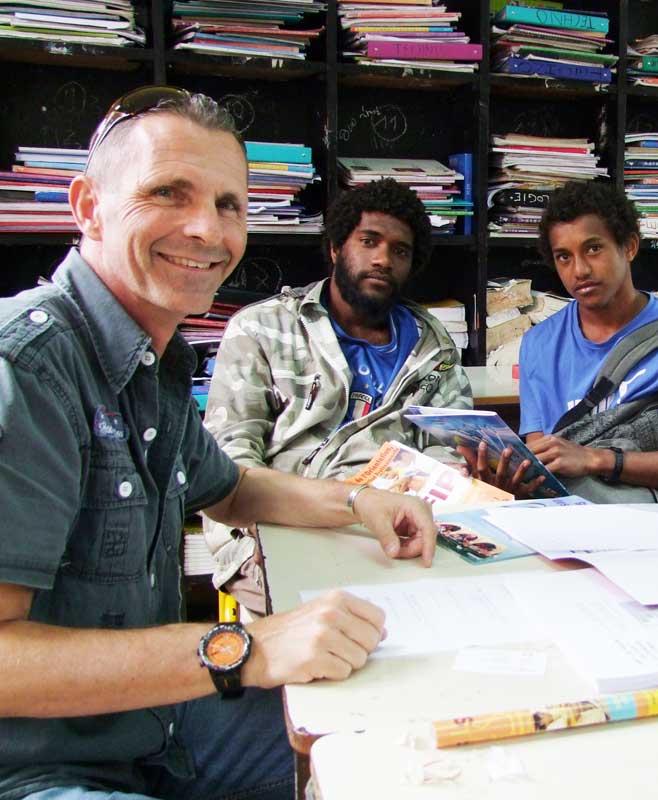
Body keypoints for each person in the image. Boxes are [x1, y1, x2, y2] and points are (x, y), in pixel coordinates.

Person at [0, 86, 438, 800]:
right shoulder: (26, 370)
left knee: (404, 736)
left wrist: (358, 503)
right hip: (36, 768)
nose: (207, 229)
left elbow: (231, 488)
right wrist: (246, 647)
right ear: (88, 207)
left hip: (151, 727)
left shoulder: (153, 361)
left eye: (229, 204)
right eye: (167, 192)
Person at [203, 178, 471, 611]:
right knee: (338, 626)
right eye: (369, 241)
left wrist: (443, 482)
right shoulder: (264, 329)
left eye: (400, 251)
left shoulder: (432, 345)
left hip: (397, 529)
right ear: (334, 248)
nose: (383, 259)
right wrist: (341, 507)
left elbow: (447, 449)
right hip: (278, 527)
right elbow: (228, 463)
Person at [471, 181, 658, 506]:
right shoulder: (539, 343)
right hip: (569, 513)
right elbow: (545, 461)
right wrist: (509, 477)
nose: (580, 270)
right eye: (564, 257)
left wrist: (598, 459)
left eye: (593, 249)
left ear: (629, 247)